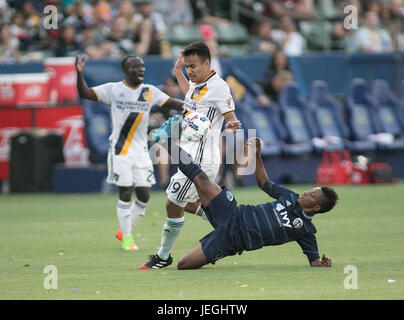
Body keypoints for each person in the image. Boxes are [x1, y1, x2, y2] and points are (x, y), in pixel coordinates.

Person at [145, 128, 337, 269]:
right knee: (199, 179)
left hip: (233, 240)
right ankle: (165, 141)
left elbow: (314, 262)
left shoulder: (306, 231)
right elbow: (264, 184)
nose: (306, 193)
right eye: (310, 190)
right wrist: (257, 155)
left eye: (311, 195)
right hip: (233, 212)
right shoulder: (290, 196)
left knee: (183, 265)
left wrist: (322, 264)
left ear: (316, 208)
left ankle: (205, 212)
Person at [138, 41, 241, 269]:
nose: (189, 71)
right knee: (187, 203)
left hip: (201, 159)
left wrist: (233, 124)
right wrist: (177, 72)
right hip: (191, 154)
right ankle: (234, 227)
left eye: (193, 66)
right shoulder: (197, 84)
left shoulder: (219, 87)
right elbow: (191, 98)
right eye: (186, 67)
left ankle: (163, 257)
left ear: (207, 63)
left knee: (172, 203)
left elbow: (230, 115)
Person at [75, 54, 184, 251]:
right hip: (120, 150)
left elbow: (174, 103)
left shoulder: (149, 91)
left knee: (144, 195)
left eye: (142, 67)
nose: (140, 70)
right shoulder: (114, 90)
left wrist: (194, 106)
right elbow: (85, 93)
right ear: (126, 70)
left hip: (141, 151)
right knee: (125, 192)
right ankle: (127, 238)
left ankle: (123, 231)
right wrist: (79, 72)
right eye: (135, 67)